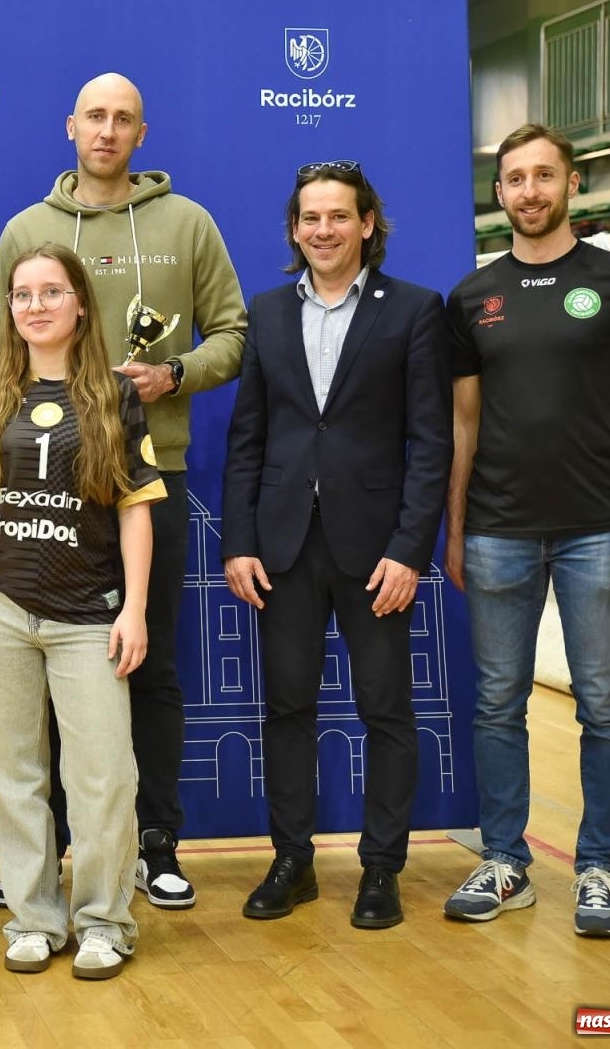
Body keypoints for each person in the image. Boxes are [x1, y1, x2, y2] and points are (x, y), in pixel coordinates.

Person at [0, 72, 246, 908]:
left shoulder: (187, 222)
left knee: (150, 665)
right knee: (45, 679)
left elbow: (234, 337)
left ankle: (156, 844)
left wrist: (172, 375)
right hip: (37, 492)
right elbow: (3, 355)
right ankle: (50, 861)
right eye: (94, 116)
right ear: (70, 126)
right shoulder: (27, 230)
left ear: (142, 132)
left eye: (122, 119)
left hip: (147, 481)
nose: (107, 130)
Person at [443, 123, 610, 938]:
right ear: (498, 193)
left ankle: (600, 870)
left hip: (599, 530)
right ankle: (506, 859)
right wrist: (457, 530)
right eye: (514, 179)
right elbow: (463, 428)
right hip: (498, 530)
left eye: (544, 175)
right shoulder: (472, 299)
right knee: (497, 703)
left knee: (604, 705)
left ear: (572, 185)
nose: (530, 191)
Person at [222, 161, 451, 929]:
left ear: (367, 225)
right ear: (295, 229)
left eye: (338, 217)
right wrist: (238, 543)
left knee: (386, 710)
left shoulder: (415, 311)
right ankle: (292, 862)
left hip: (376, 552)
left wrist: (410, 550)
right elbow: (248, 439)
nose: (323, 230)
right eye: (310, 218)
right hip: (282, 550)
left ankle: (381, 867)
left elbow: (430, 443)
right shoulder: (267, 313)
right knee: (286, 708)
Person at [0, 243, 165, 979]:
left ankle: (104, 921)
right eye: (22, 294)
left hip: (87, 614)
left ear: (78, 305)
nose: (35, 305)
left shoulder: (116, 396)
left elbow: (136, 513)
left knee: (104, 776)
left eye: (51, 292)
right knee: (15, 774)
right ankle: (35, 919)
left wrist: (133, 609)